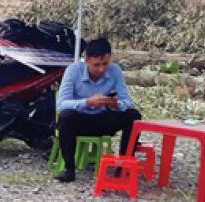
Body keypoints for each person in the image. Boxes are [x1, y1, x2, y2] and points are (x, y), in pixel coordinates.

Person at [55, 37, 141, 183]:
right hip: (80, 120)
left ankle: (123, 165)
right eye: (96, 65)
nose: (101, 69)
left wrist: (116, 104)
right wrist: (87, 102)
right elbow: (61, 104)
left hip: (103, 118)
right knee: (65, 116)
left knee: (134, 116)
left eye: (105, 64)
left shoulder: (115, 71)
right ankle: (69, 169)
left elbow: (127, 102)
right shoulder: (73, 71)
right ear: (86, 60)